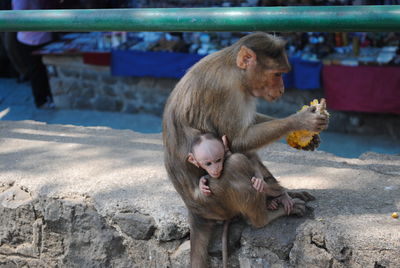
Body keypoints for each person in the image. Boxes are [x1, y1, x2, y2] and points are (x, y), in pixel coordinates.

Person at [187, 132, 294, 213]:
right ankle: (265, 202)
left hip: (256, 187)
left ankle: (280, 194)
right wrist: (202, 182)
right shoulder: (204, 163)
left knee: (258, 185)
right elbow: (213, 179)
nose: (215, 169)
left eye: (218, 160)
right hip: (239, 201)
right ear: (193, 160)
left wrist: (259, 177)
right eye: (208, 164)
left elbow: (253, 165)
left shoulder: (231, 159)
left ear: (224, 146)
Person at [11, 0, 54, 108]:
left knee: (41, 70)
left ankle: (46, 97)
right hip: (31, 38)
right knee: (36, 71)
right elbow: (18, 16)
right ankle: (41, 101)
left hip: (39, 35)